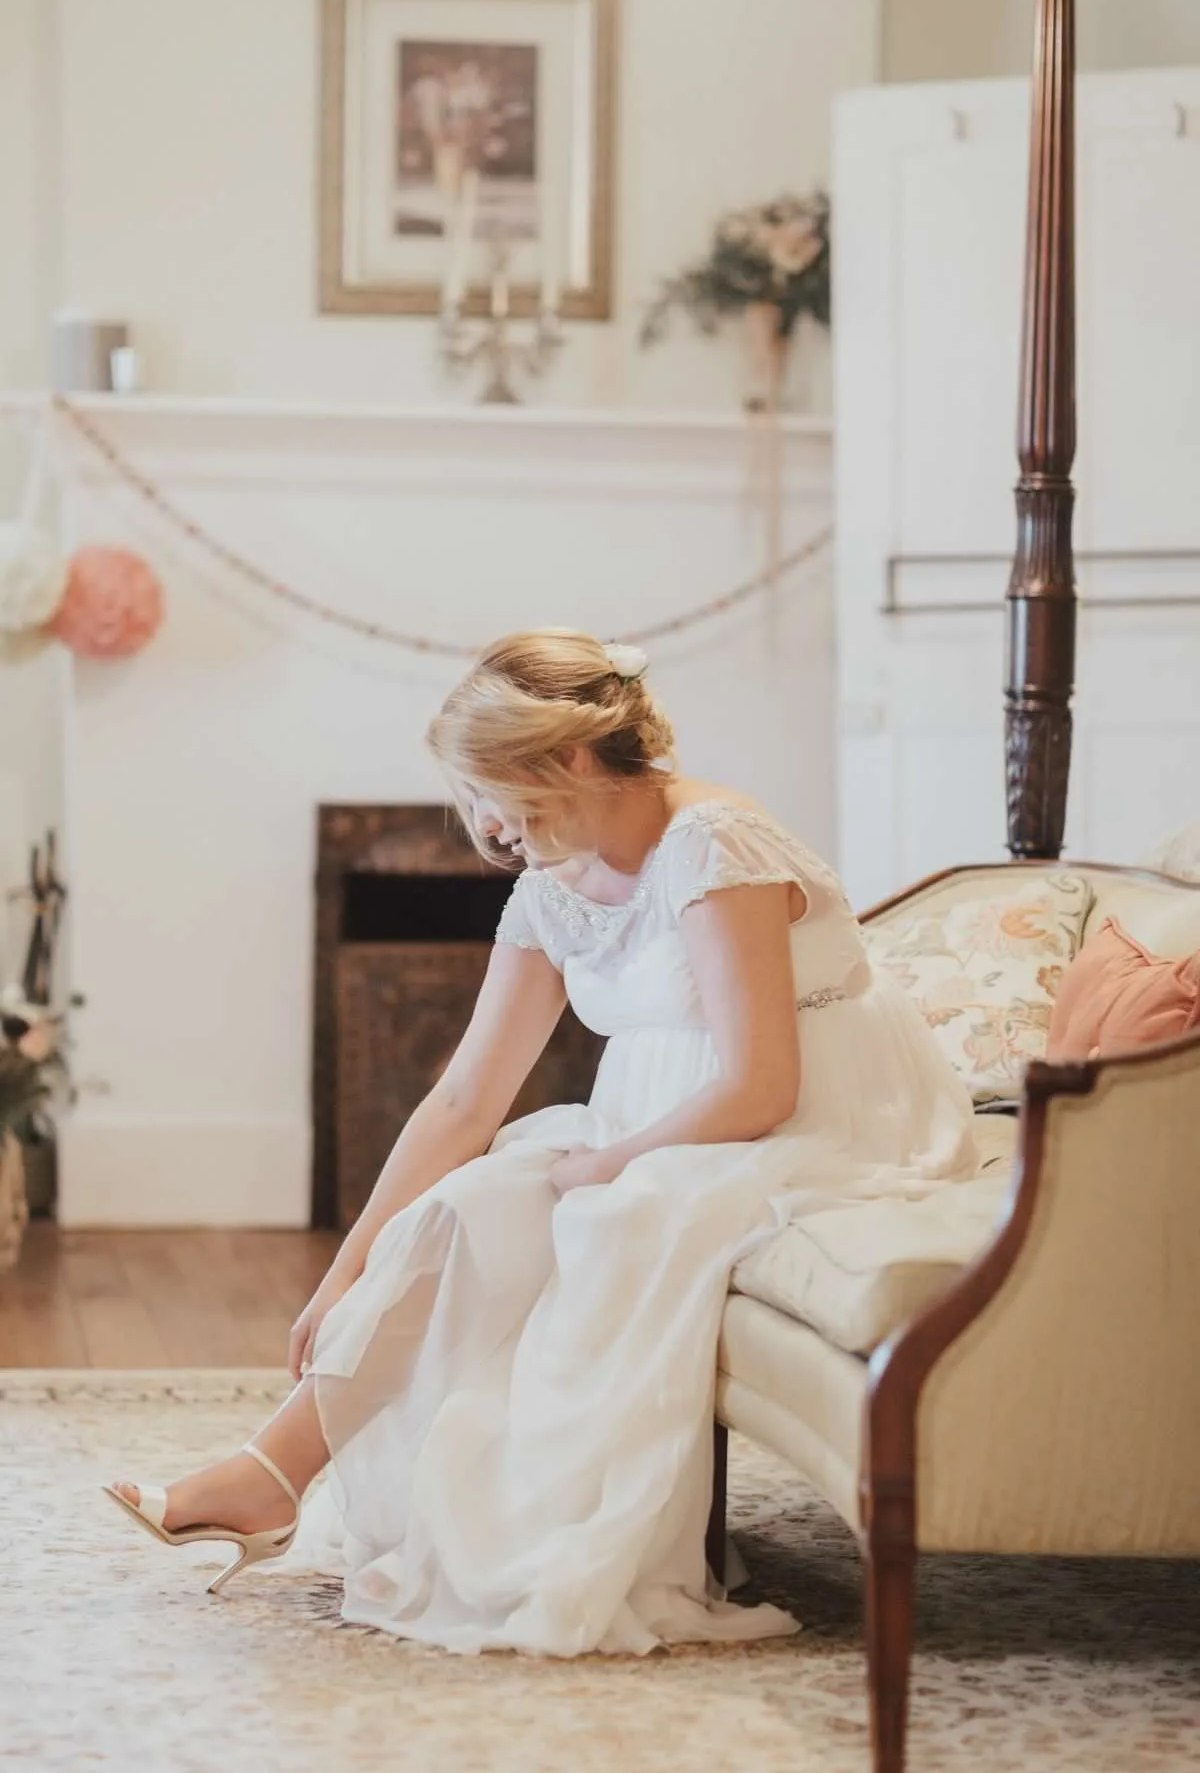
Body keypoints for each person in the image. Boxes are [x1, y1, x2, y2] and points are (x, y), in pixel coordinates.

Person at [105, 629, 979, 1653]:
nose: (486, 826)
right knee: (463, 1205)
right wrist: (345, 1269)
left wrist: (611, 1165)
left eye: (492, 791)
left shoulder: (713, 848)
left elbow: (761, 1083)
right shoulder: (556, 885)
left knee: (587, 1218)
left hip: (819, 1116)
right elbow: (466, 1097)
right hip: (662, 1118)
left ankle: (339, 1491)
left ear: (568, 760)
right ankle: (270, 1476)